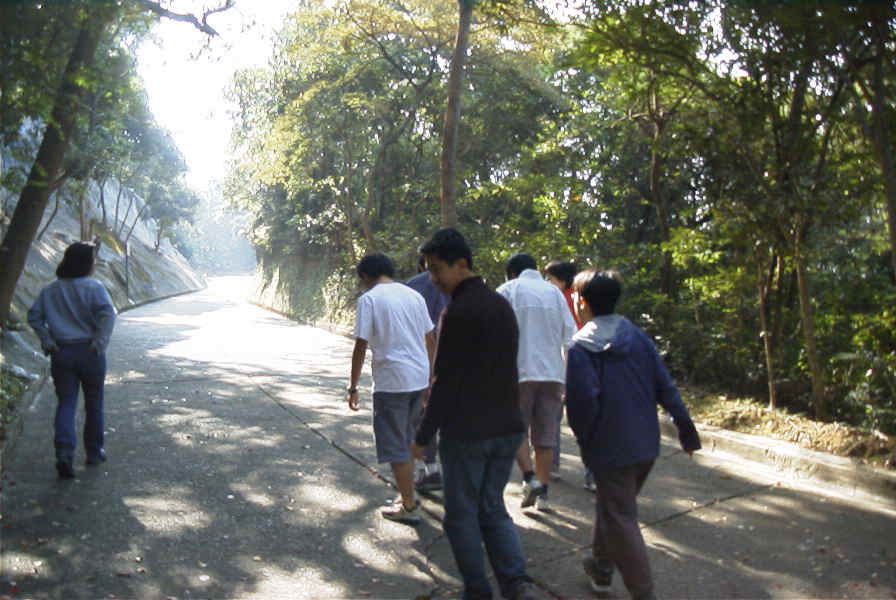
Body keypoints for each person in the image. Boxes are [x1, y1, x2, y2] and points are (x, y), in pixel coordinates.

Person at [412, 228, 535, 600]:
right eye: (429, 270)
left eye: (437, 269)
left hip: (468, 433)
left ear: (461, 264)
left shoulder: (458, 312)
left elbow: (446, 381)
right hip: (508, 427)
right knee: (492, 509)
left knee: (461, 517)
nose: (433, 279)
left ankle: (478, 591)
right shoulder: (500, 305)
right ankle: (517, 584)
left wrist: (423, 435)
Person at [565, 270, 701, 599]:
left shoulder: (582, 347)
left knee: (620, 516)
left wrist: (586, 445)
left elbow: (583, 405)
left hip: (610, 448)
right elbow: (665, 385)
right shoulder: (637, 336)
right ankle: (601, 566)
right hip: (645, 445)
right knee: (613, 505)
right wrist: (686, 429)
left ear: (582, 302)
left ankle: (643, 592)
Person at [348, 252, 435, 524]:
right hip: (419, 378)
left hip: (392, 381)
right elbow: (430, 338)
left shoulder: (370, 299)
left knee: (396, 444)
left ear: (365, 276)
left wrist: (353, 386)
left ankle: (408, 505)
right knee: (408, 437)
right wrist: (431, 377)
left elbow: (361, 345)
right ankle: (406, 494)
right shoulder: (414, 296)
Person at [27, 242, 117, 479]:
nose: (95, 263)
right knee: (94, 403)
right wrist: (100, 342)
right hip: (90, 352)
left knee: (66, 403)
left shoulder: (50, 290)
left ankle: (64, 453)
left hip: (62, 352)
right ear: (86, 263)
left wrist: (48, 341)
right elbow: (108, 314)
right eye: (93, 259)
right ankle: (94, 452)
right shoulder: (94, 287)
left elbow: (34, 317)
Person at [497, 253, 576, 511]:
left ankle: (529, 477)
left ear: (511, 273)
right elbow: (570, 338)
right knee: (546, 435)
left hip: (518, 373)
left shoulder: (507, 290)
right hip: (553, 374)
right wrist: (568, 378)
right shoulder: (555, 294)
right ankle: (543, 494)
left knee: (516, 429)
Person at [543, 260, 591, 490]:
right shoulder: (582, 297)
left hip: (562, 367)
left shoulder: (557, 299)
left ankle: (552, 465)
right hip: (584, 365)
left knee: (552, 420)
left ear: (562, 280)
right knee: (586, 422)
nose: (547, 282)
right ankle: (592, 474)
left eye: (550, 278)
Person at [405, 254, 449, 492]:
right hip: (456, 358)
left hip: (422, 358)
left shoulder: (413, 286)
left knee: (422, 416)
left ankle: (429, 469)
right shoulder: (460, 283)